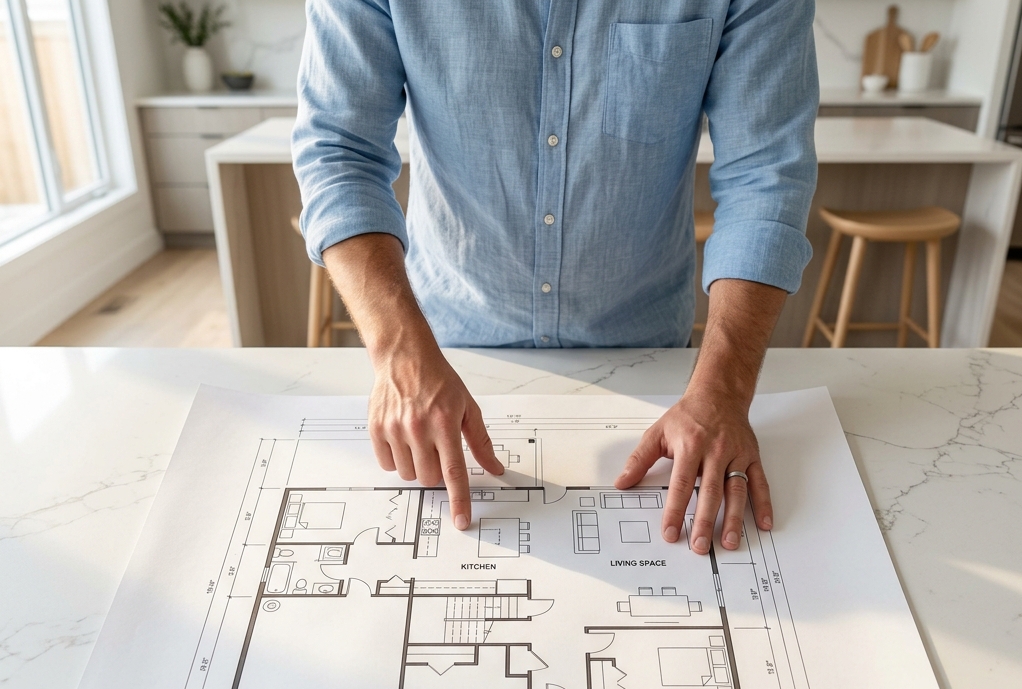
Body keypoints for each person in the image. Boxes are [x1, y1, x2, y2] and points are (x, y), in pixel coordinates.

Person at [292, 0, 817, 555]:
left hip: (653, 368)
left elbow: (766, 176)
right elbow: (339, 152)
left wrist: (725, 390)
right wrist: (399, 350)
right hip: (443, 356)